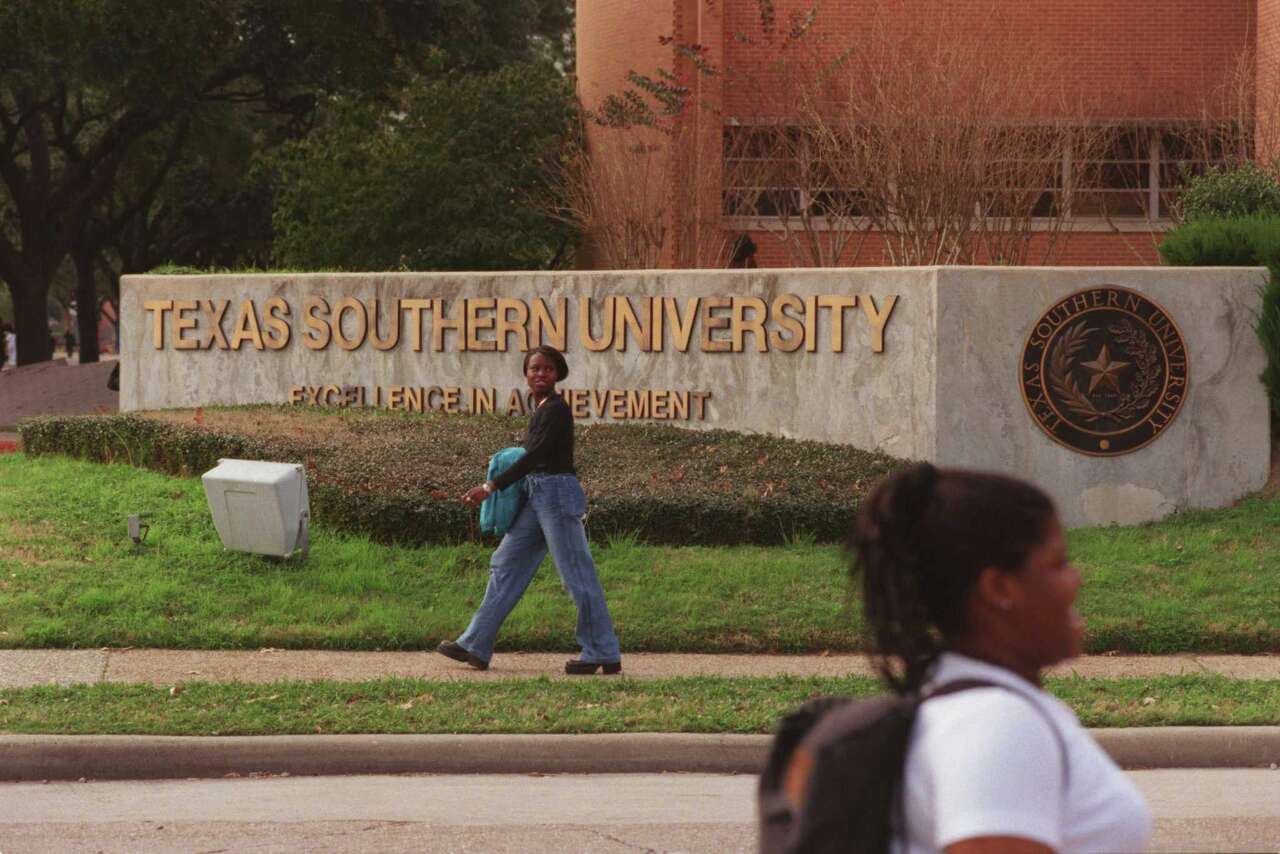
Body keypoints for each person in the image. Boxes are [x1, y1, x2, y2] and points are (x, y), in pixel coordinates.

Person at [849, 463, 1151, 854]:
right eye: (1057, 563)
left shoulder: (973, 704)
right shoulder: (996, 724)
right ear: (999, 588)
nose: (1076, 578)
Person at [438, 345, 622, 675]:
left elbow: (534, 455)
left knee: (575, 574)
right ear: (526, 374)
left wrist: (491, 486)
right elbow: (533, 459)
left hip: (557, 495)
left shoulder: (556, 410)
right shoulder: (541, 407)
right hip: (538, 495)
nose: (540, 374)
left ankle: (602, 651)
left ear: (558, 374)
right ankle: (475, 645)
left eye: (547, 369)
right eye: (534, 368)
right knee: (506, 563)